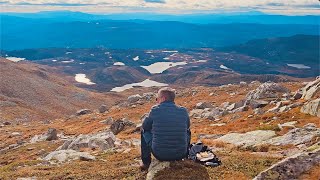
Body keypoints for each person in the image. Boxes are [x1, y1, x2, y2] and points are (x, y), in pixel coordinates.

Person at [140, 87, 191, 170]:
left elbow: (145, 126)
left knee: (143, 131)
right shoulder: (183, 111)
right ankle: (186, 156)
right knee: (188, 131)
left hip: (160, 154)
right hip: (180, 154)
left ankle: (146, 163)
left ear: (163, 98)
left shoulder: (155, 110)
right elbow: (188, 126)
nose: (156, 101)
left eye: (157, 99)